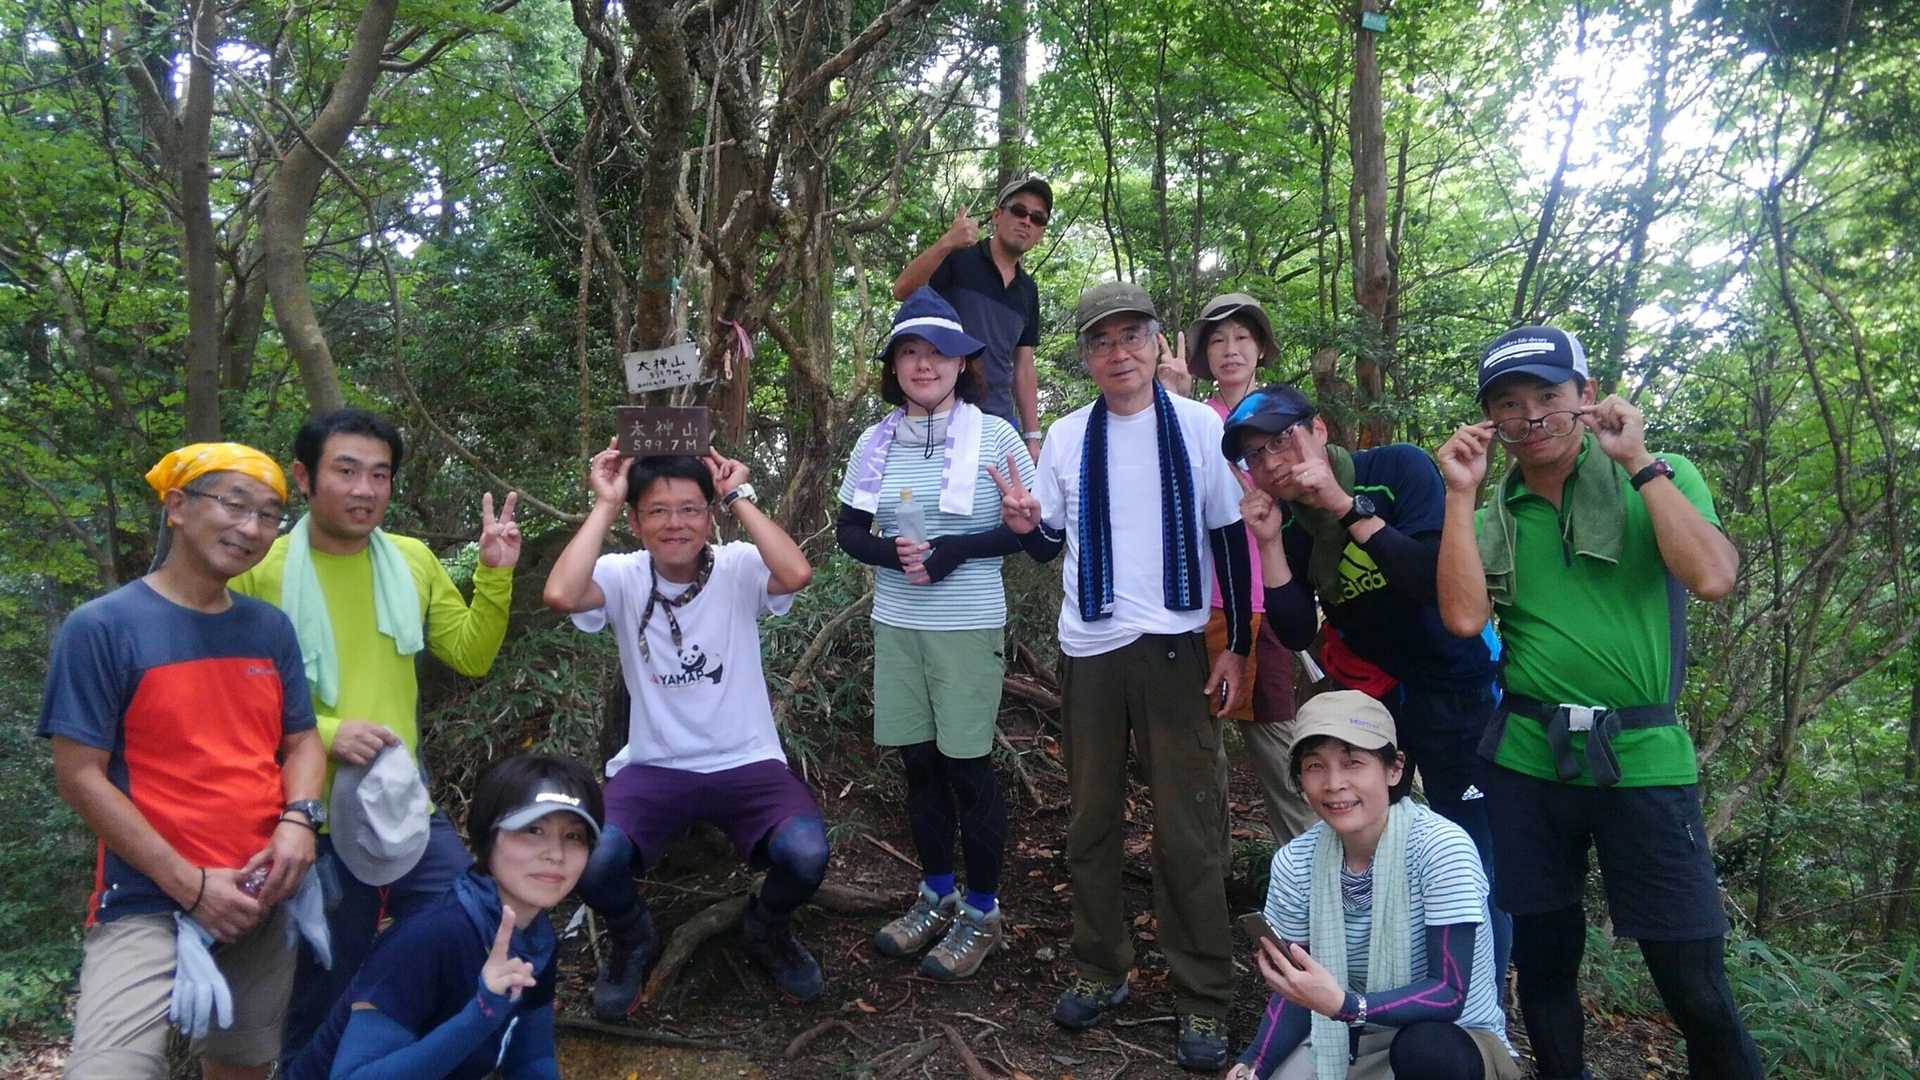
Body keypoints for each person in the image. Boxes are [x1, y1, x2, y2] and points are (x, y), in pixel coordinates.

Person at [1434, 326, 1758, 1079]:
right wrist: (1459, 493)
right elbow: (1464, 619)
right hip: (1527, 760)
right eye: (1509, 404)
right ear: (1491, 419)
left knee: (1694, 983)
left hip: (1642, 759)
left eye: (1548, 395)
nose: (1531, 417)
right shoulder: (1492, 516)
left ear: (1586, 396)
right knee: (1546, 962)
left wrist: (1638, 462)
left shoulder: (1663, 476)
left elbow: (1713, 577)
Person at [990, 280, 1252, 1071]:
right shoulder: (1068, 436)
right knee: (1091, 819)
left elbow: (1228, 536)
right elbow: (1050, 543)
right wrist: (1024, 526)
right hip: (1091, 649)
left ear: (1157, 342)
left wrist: (1237, 646)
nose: (1119, 353)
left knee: (1189, 828)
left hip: (1176, 648)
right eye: (1101, 341)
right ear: (1086, 357)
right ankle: (1100, 967)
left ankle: (1202, 995)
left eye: (1132, 336)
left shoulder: (1199, 425)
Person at [228, 409, 521, 1051]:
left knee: (468, 920)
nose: (364, 489)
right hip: (303, 814)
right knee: (323, 987)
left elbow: (470, 655)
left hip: (399, 800)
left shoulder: (411, 560)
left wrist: (495, 574)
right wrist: (324, 731)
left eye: (380, 475)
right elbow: (228, 694)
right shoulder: (259, 567)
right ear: (304, 477)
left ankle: (400, 1043)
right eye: (346, 471)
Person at [41, 443, 325, 1080]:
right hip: (147, 897)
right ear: (176, 506)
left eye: (269, 514)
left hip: (260, 891)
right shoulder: (102, 627)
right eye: (234, 504)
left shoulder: (269, 629)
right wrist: (190, 886)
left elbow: (302, 741)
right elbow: (79, 776)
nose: (251, 527)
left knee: (243, 1065)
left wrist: (300, 819)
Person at [1224, 384, 1510, 983]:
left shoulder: (1397, 470)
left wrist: (1341, 504)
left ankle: (1476, 1004)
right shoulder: (1290, 524)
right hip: (1376, 702)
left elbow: (1428, 580)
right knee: (1377, 842)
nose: (1272, 461)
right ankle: (1385, 984)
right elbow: (1296, 629)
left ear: (1319, 430)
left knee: (1472, 853)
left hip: (1457, 690)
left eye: (1281, 440)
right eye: (1255, 455)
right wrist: (1269, 542)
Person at [544, 448, 827, 1010]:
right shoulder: (622, 575)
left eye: (690, 509)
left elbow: (796, 573)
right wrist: (606, 502)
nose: (675, 523)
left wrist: (738, 495)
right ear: (636, 521)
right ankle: (633, 936)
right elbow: (561, 594)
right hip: (655, 764)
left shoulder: (738, 566)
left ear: (709, 516)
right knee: (592, 859)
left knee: (806, 854)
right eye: (658, 510)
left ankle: (766, 928)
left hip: (746, 759)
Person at [834, 287, 1033, 980]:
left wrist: (957, 550)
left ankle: (982, 912)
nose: (925, 364)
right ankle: (935, 894)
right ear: (894, 367)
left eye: (939, 352)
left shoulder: (996, 436)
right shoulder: (875, 441)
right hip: (898, 622)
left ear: (961, 363)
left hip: (967, 624)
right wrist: (892, 555)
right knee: (918, 764)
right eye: (910, 353)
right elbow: (849, 530)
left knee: (967, 767)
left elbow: (1027, 532)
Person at [1225, 692, 1519, 1080]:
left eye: (1353, 763)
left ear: (1394, 769)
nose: (1334, 784)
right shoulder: (1296, 863)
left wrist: (1347, 1006)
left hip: (1457, 1040)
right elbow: (1298, 992)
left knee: (1425, 1052)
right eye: (1315, 766)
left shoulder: (1439, 848)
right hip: (1347, 1036)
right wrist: (1254, 1064)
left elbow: (1449, 993)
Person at [281, 753, 601, 1080]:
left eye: (574, 836)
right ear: (488, 837)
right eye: (533, 830)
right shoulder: (430, 935)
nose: (555, 854)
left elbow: (532, 1061)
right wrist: (481, 1013)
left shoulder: (535, 937)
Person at [1160, 293, 1308, 842]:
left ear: (1261, 348)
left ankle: (1306, 871)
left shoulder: (1288, 419)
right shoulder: (1191, 416)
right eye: (1218, 340)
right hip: (1201, 602)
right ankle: (1212, 868)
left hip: (1267, 598)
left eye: (1242, 337)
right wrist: (1174, 400)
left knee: (1278, 745)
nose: (1230, 350)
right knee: (1202, 750)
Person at [892, 176, 1051, 456]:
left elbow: (1024, 365)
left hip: (999, 422)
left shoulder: (1028, 291)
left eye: (1037, 218)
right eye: (1019, 211)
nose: (1027, 221)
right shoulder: (958, 259)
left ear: (1040, 233)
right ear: (997, 215)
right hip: (944, 416)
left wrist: (1032, 436)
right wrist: (947, 242)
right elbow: (902, 290)